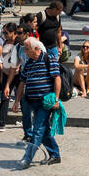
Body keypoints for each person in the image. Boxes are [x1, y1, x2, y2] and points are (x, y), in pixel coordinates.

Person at [15, 37, 61, 168]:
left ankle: (27, 159)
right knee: (44, 130)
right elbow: (22, 82)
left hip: (45, 102)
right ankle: (55, 155)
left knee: (37, 130)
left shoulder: (48, 58)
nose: (24, 51)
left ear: (36, 49)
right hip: (32, 101)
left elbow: (57, 79)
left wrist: (56, 100)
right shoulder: (29, 63)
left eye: (27, 49)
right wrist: (17, 101)